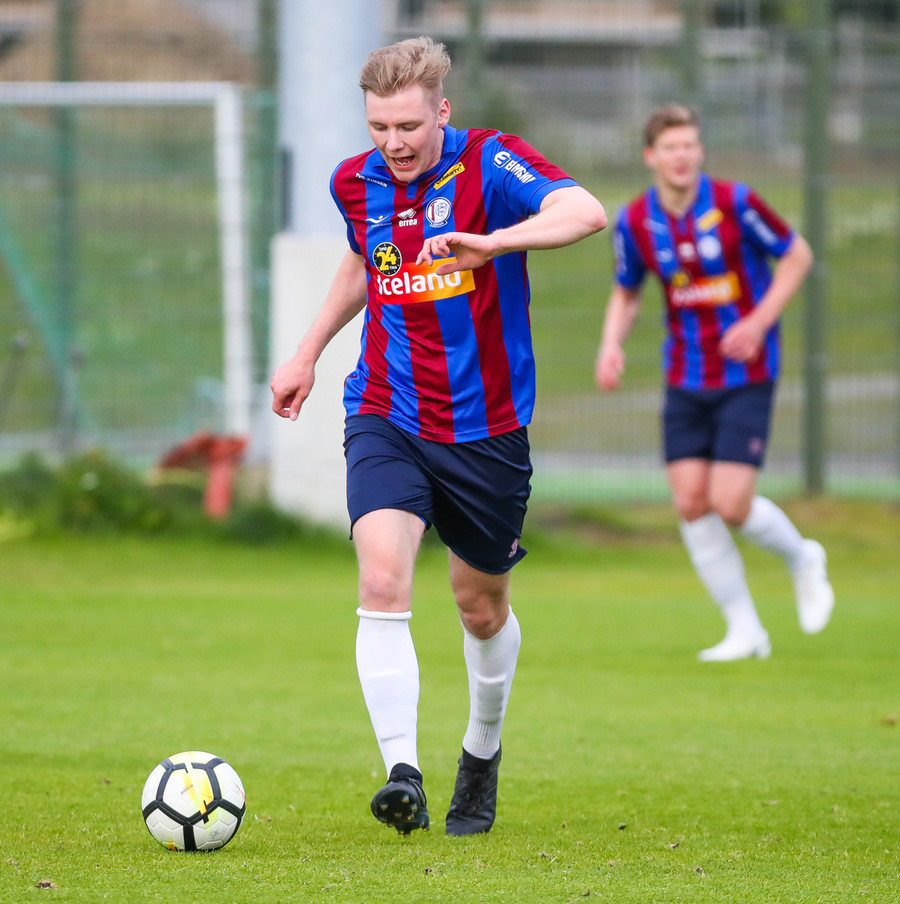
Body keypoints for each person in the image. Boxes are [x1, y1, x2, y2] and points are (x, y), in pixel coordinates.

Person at [271, 37, 607, 835]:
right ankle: (403, 775)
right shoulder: (354, 181)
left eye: (409, 127)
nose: (394, 144)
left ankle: (481, 751)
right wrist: (306, 352)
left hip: (486, 428)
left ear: (441, 112)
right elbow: (365, 262)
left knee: (479, 606)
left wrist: (495, 242)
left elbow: (585, 212)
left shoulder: (490, 164)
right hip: (385, 409)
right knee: (382, 581)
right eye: (379, 127)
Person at [594, 103, 834, 662]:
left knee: (730, 502)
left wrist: (758, 322)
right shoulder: (635, 220)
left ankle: (803, 557)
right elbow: (627, 290)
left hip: (746, 372)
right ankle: (746, 630)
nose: (682, 156)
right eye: (671, 147)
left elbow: (797, 255)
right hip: (685, 374)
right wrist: (610, 344)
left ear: (700, 151)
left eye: (690, 145)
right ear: (651, 156)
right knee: (690, 502)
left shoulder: (736, 203)